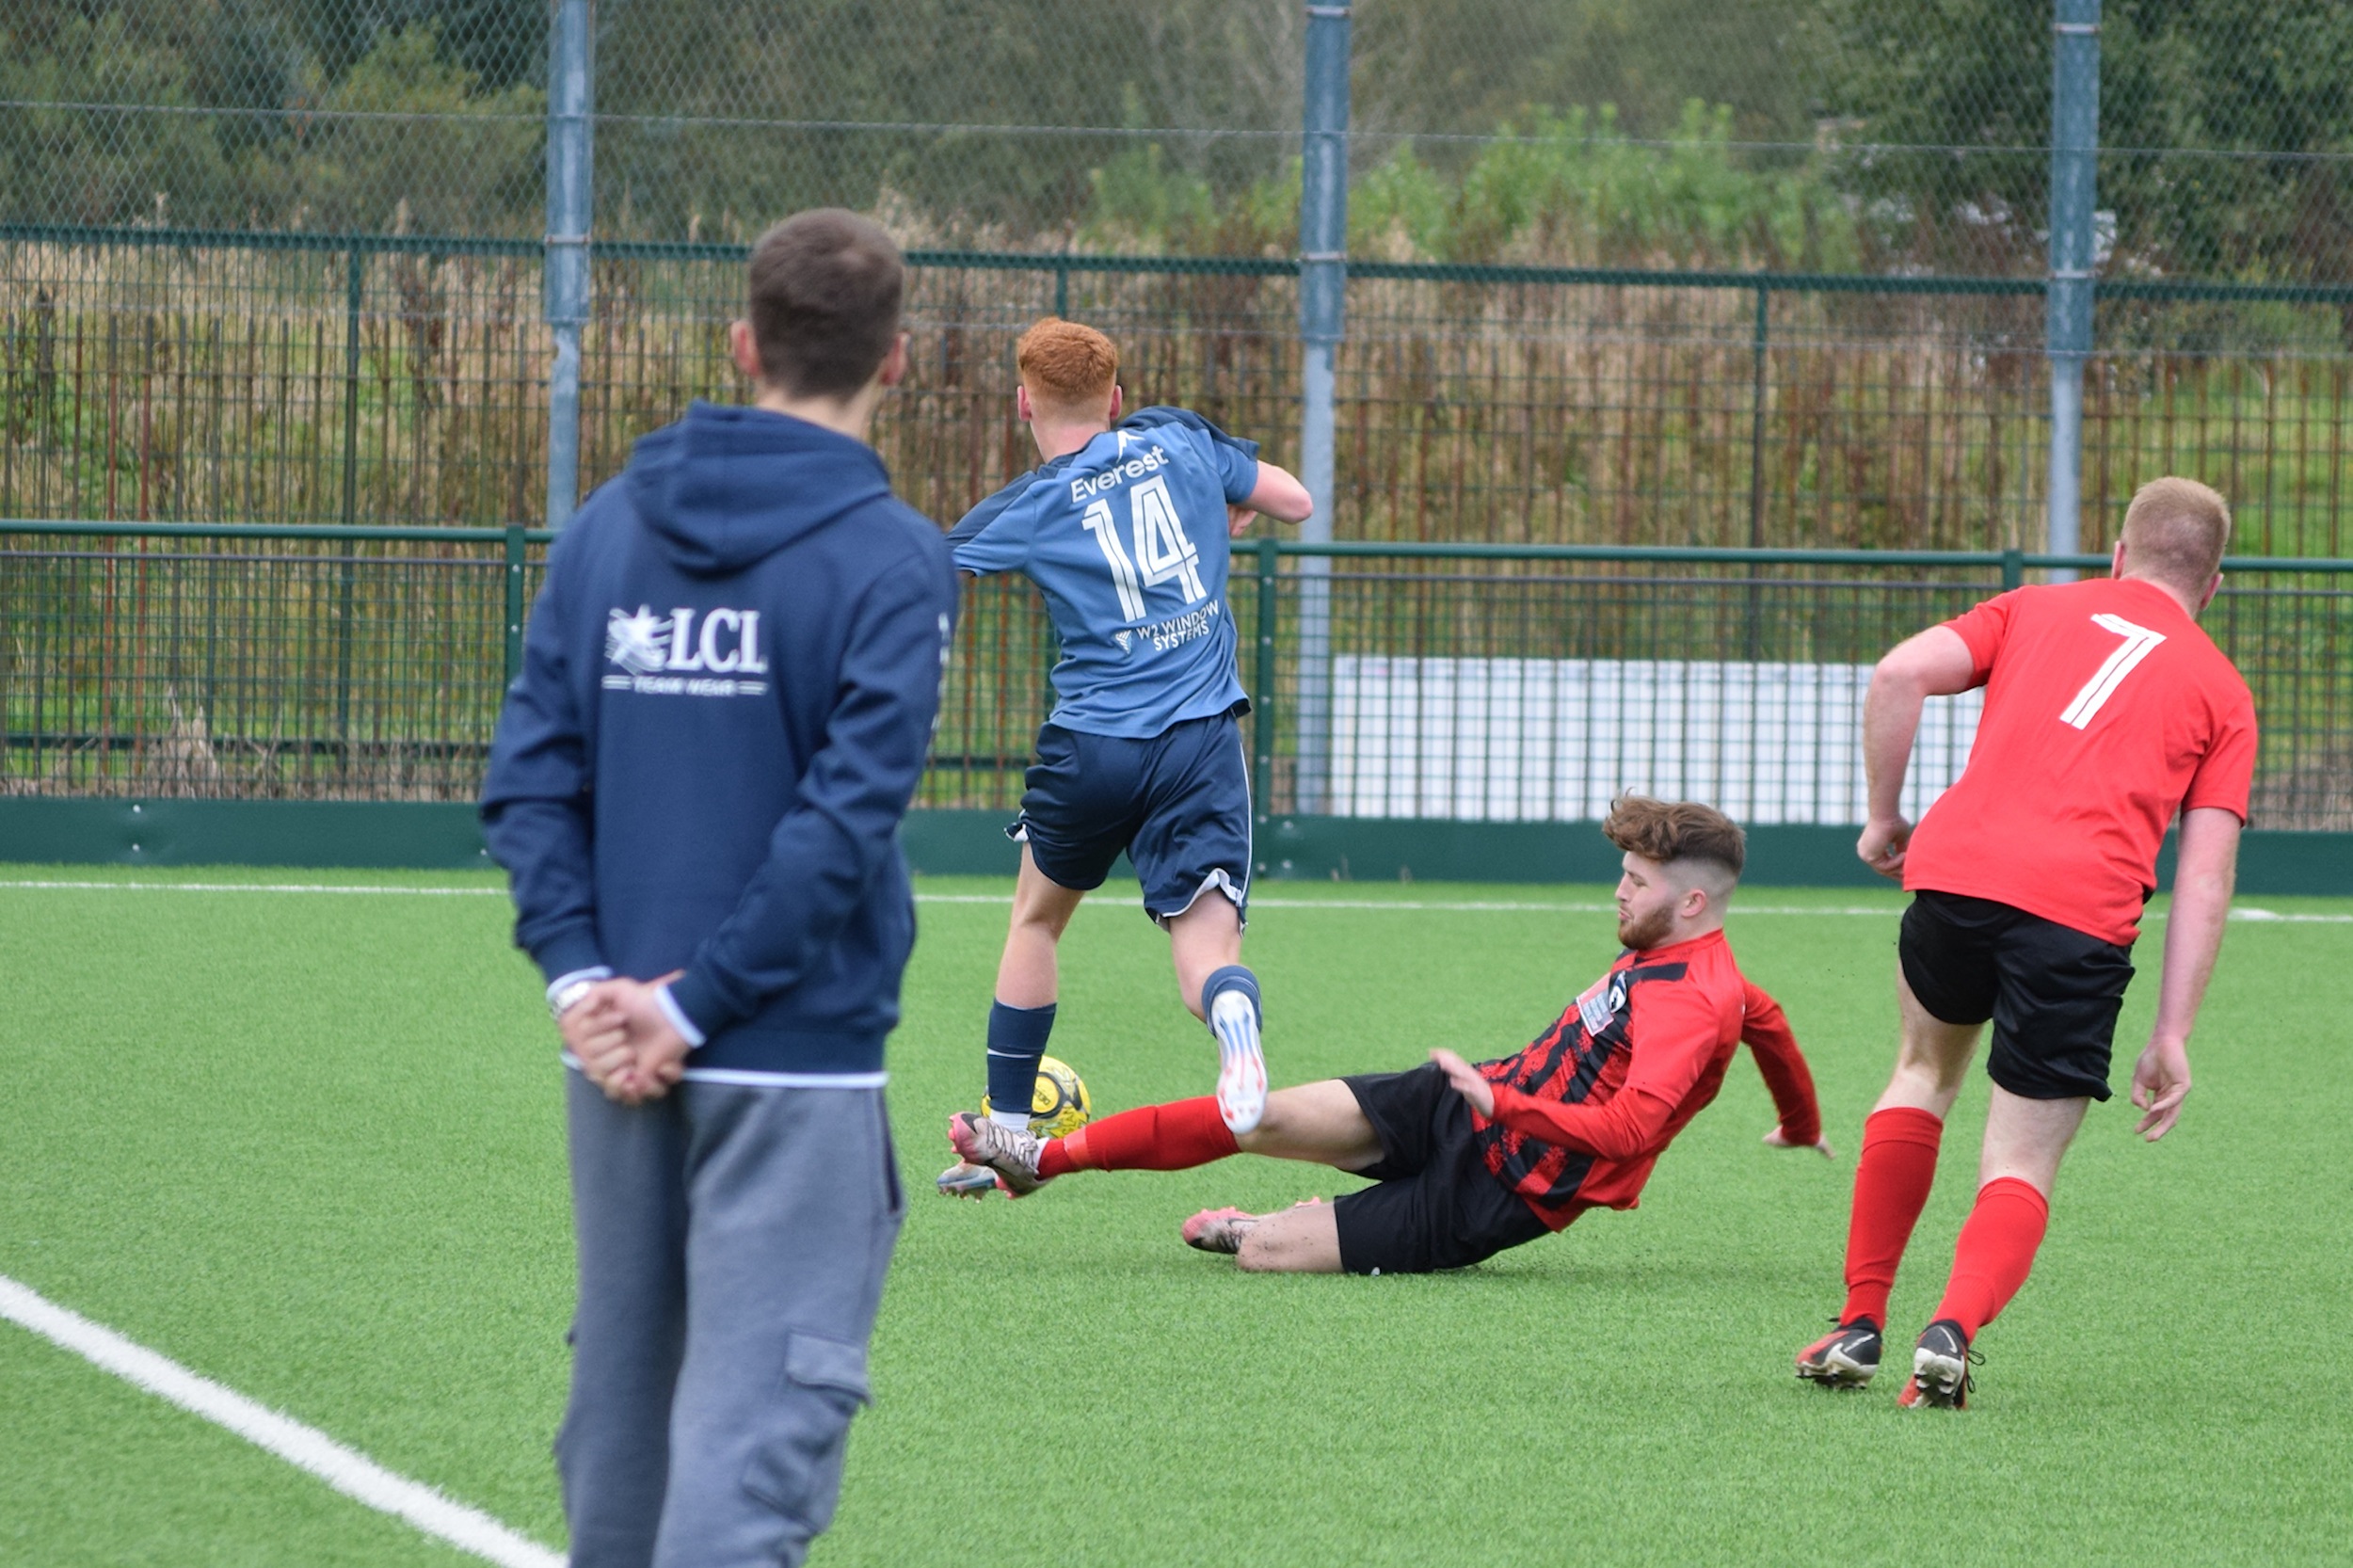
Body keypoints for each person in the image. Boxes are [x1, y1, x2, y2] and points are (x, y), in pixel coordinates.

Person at [480, 209, 958, 1567]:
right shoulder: (892, 557)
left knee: (620, 1439)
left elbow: (528, 783)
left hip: (613, 1056)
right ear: (898, 360)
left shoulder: (605, 530)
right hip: (784, 1062)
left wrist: (585, 980)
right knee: (749, 1464)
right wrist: (696, 1004)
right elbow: (843, 824)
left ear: (742, 343)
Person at [1795, 476, 2255, 1409]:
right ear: (2211, 587)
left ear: (2116, 556)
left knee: (1919, 1077)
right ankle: (1949, 1333)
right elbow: (2204, 875)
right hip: (2079, 918)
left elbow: (1896, 674)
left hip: (1955, 878)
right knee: (2018, 1161)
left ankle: (1859, 1318)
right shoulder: (2223, 692)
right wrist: (2173, 1031)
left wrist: (1884, 820)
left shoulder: (2032, 606)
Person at [949, 797, 1833, 1274]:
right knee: (1248, 1113)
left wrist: (1507, 1102)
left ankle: (1260, 1225)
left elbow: (1634, 1129)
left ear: (1692, 902)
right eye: (1624, 875)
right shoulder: (1702, 967)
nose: (1619, 893)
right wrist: (1798, 1121)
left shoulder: (1694, 999)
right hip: (1456, 1105)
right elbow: (1777, 1030)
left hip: (1497, 1194)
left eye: (1637, 883)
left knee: (1259, 1256)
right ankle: (1038, 1165)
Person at [936, 317, 1314, 1197]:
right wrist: (1230, 506)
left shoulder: (1030, 504)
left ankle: (1008, 1133)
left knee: (1037, 920)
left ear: (1024, 402)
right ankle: (1234, 1036)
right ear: (1115, 399)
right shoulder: (1178, 439)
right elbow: (1293, 502)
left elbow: (925, 565)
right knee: (1207, 947)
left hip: (1093, 745)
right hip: (1201, 740)